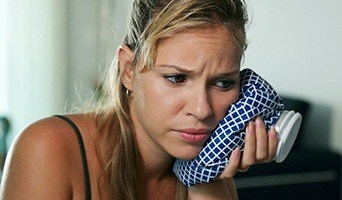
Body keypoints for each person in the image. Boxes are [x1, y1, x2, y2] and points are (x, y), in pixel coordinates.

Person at [0, 0, 279, 199]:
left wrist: (206, 180)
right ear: (129, 70)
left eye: (222, 83)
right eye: (176, 78)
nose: (201, 109)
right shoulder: (48, 149)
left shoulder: (210, 175)